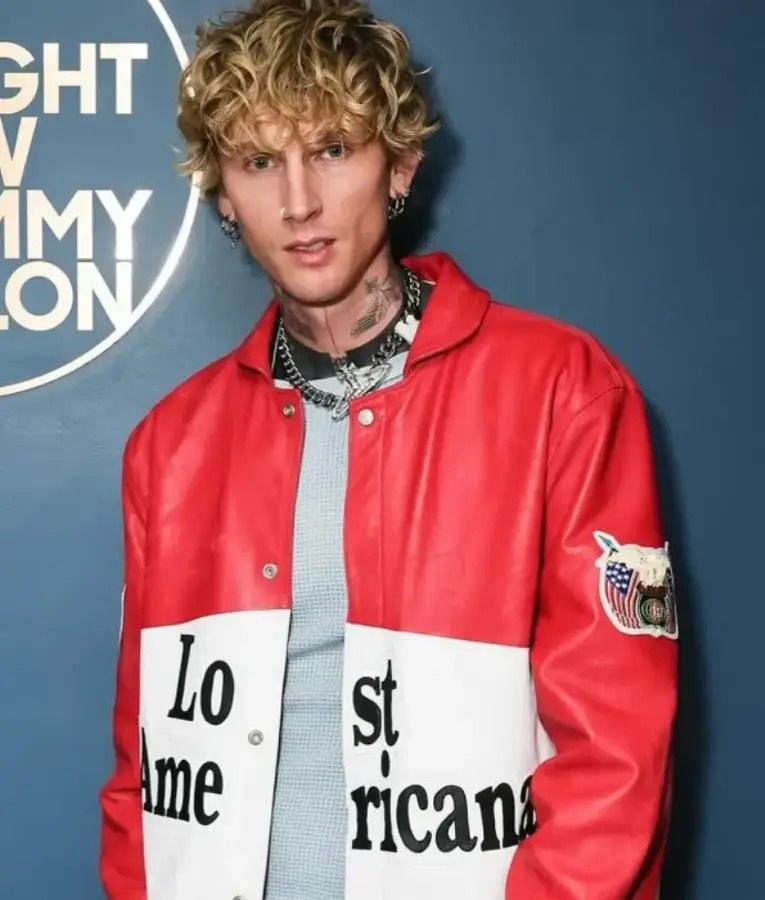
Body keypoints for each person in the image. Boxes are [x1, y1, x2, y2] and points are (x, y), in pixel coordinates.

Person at [99, 1, 678, 897]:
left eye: (332, 149)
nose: (298, 203)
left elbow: (616, 758)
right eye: (259, 162)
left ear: (399, 165)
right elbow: (143, 771)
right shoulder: (168, 445)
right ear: (222, 193)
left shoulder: (562, 391)